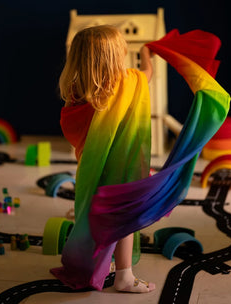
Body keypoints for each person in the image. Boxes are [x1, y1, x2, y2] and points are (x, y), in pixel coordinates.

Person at [50, 25, 155, 293]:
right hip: (121, 170)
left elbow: (73, 132)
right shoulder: (126, 82)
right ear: (115, 57)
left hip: (90, 170)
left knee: (93, 218)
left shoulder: (75, 93)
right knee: (124, 220)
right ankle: (124, 276)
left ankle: (99, 262)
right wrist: (146, 54)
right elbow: (148, 75)